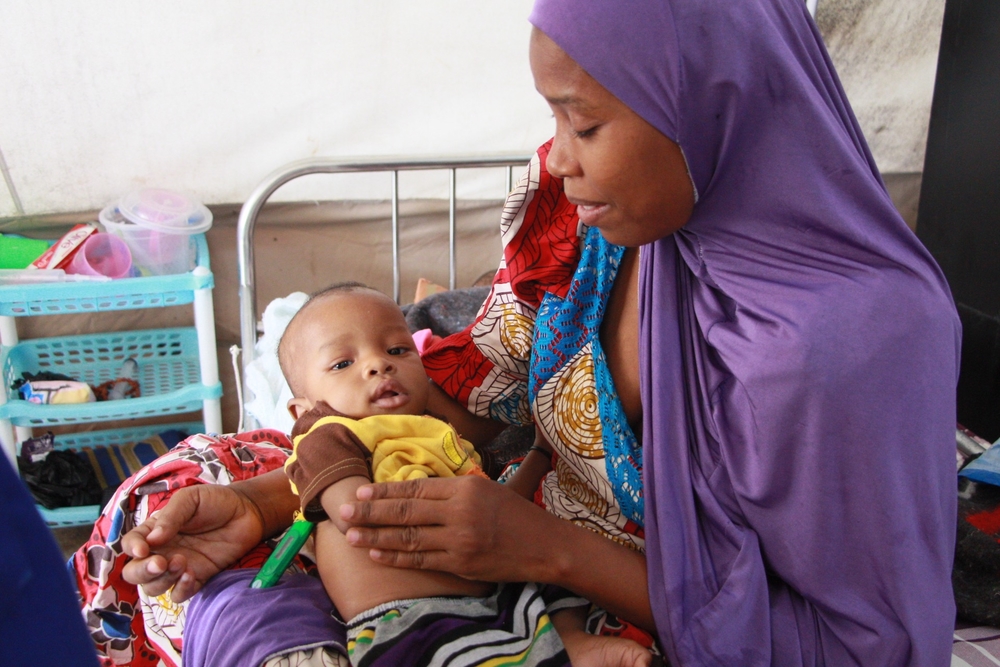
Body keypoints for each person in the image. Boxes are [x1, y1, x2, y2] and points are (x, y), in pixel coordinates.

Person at [120, 0, 960, 665]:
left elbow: (858, 649)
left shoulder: (846, 350)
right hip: (512, 557)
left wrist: (550, 553)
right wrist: (275, 500)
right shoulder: (598, 226)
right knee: (187, 531)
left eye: (584, 123)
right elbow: (466, 398)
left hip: (629, 618)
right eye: (552, 117)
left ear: (710, 105)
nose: (555, 158)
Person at [253, 281, 647, 666]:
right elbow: (352, 513)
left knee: (563, 587)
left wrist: (543, 452)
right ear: (302, 410)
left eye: (397, 348)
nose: (378, 364)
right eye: (343, 363)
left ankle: (572, 641)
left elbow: (504, 507)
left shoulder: (441, 436)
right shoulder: (329, 434)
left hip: (505, 595)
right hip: (412, 615)